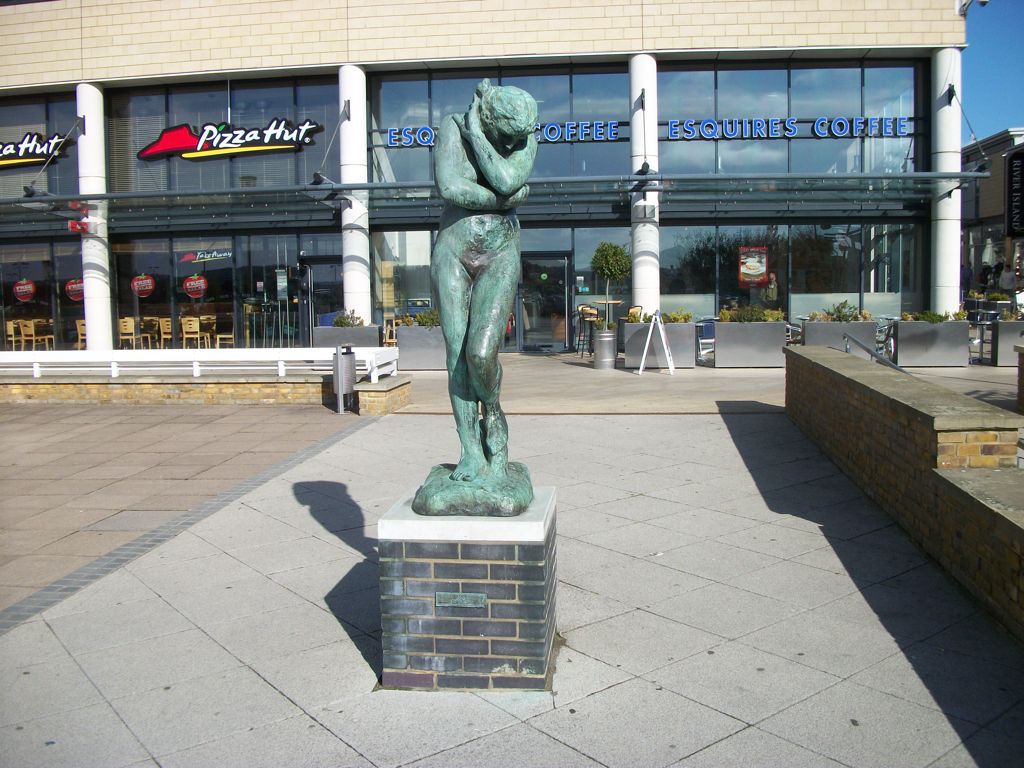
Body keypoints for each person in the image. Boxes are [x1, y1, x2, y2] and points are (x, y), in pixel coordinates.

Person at [431, 80, 538, 483]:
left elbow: (509, 178)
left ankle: (491, 410)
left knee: (480, 353)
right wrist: (505, 202)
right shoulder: (452, 126)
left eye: (518, 140)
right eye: (504, 137)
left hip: (500, 252)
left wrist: (478, 139)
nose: (514, 144)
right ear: (489, 119)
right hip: (453, 253)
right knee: (456, 356)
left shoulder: (526, 132)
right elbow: (450, 186)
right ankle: (470, 450)